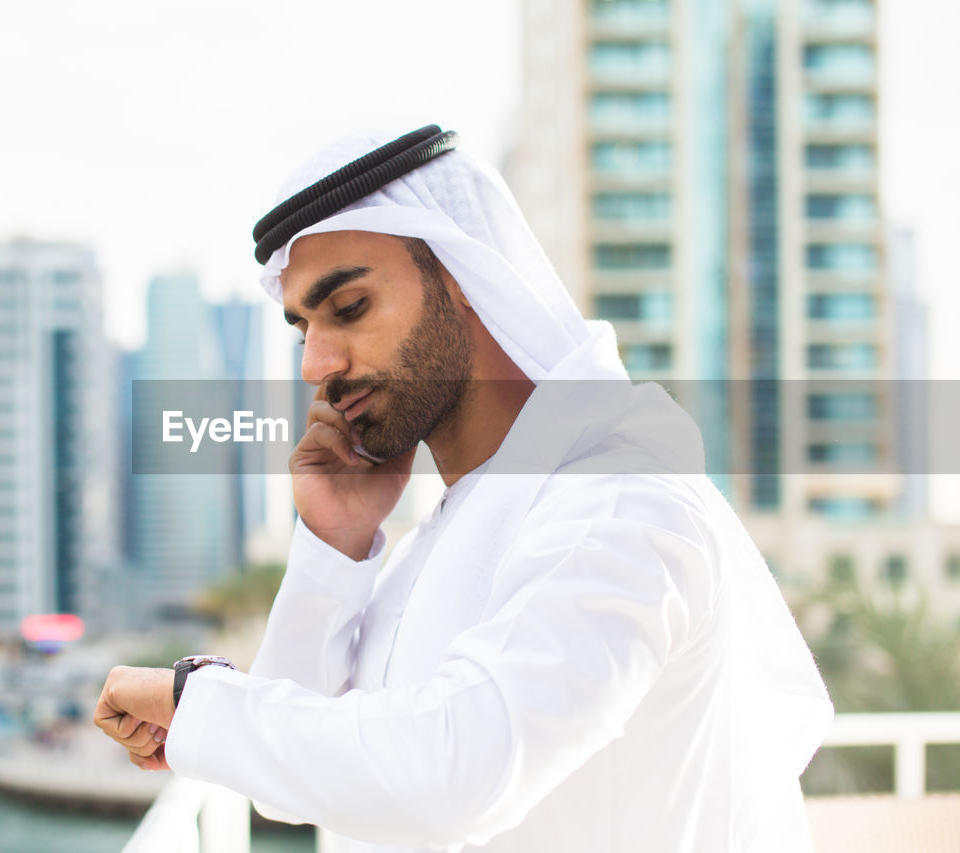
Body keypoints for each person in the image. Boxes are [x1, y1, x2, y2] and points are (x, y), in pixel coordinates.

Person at [94, 126, 833, 852]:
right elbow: (290, 780)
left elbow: (459, 772)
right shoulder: (438, 537)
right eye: (302, 330)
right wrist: (334, 544)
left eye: (349, 309)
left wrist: (196, 701)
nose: (316, 363)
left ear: (465, 279)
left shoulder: (618, 492)